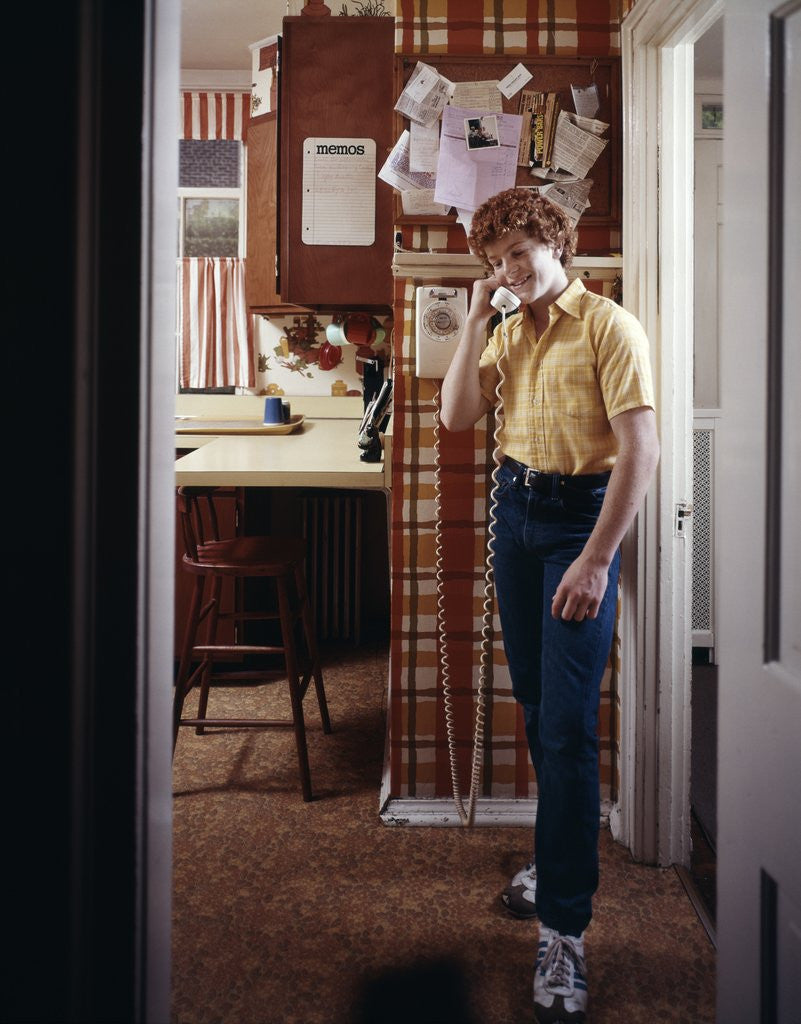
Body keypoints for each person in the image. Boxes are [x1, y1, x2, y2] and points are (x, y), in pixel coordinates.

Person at [440, 188, 659, 1023]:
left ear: (555, 243)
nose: (509, 270)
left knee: (566, 726)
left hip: (578, 525)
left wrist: (597, 561)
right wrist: (473, 318)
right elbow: (457, 414)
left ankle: (563, 929)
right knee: (537, 707)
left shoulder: (608, 326)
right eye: (495, 261)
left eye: (520, 253)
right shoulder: (505, 330)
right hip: (517, 515)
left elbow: (640, 450)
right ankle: (554, 852)